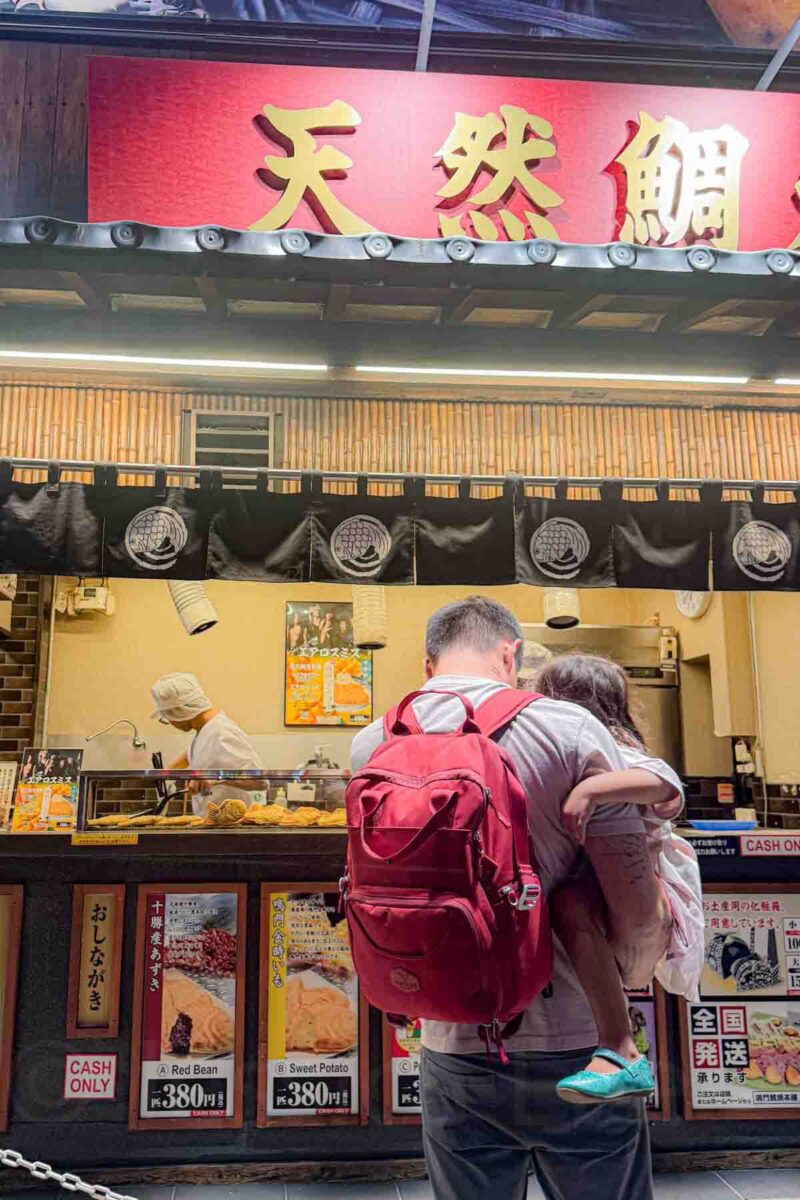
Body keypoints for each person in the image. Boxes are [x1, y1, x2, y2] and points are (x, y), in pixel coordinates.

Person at [350, 597, 670, 1200]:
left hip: (450, 1035)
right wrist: (634, 978)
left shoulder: (374, 742)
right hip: (578, 1041)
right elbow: (635, 909)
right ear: (511, 653)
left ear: (428, 664)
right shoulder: (568, 729)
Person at [535, 653, 702, 1105]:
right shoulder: (567, 754)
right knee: (569, 907)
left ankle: (621, 1049)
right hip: (598, 892)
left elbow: (665, 785)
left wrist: (591, 790)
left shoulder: (615, 752)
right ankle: (619, 1049)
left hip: (646, 892)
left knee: (570, 906)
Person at [151, 672, 263, 817]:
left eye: (168, 717)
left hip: (229, 825)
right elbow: (200, 752)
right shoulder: (205, 731)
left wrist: (215, 778)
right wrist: (168, 772)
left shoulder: (222, 732)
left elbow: (260, 781)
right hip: (212, 823)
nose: (171, 723)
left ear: (179, 711)